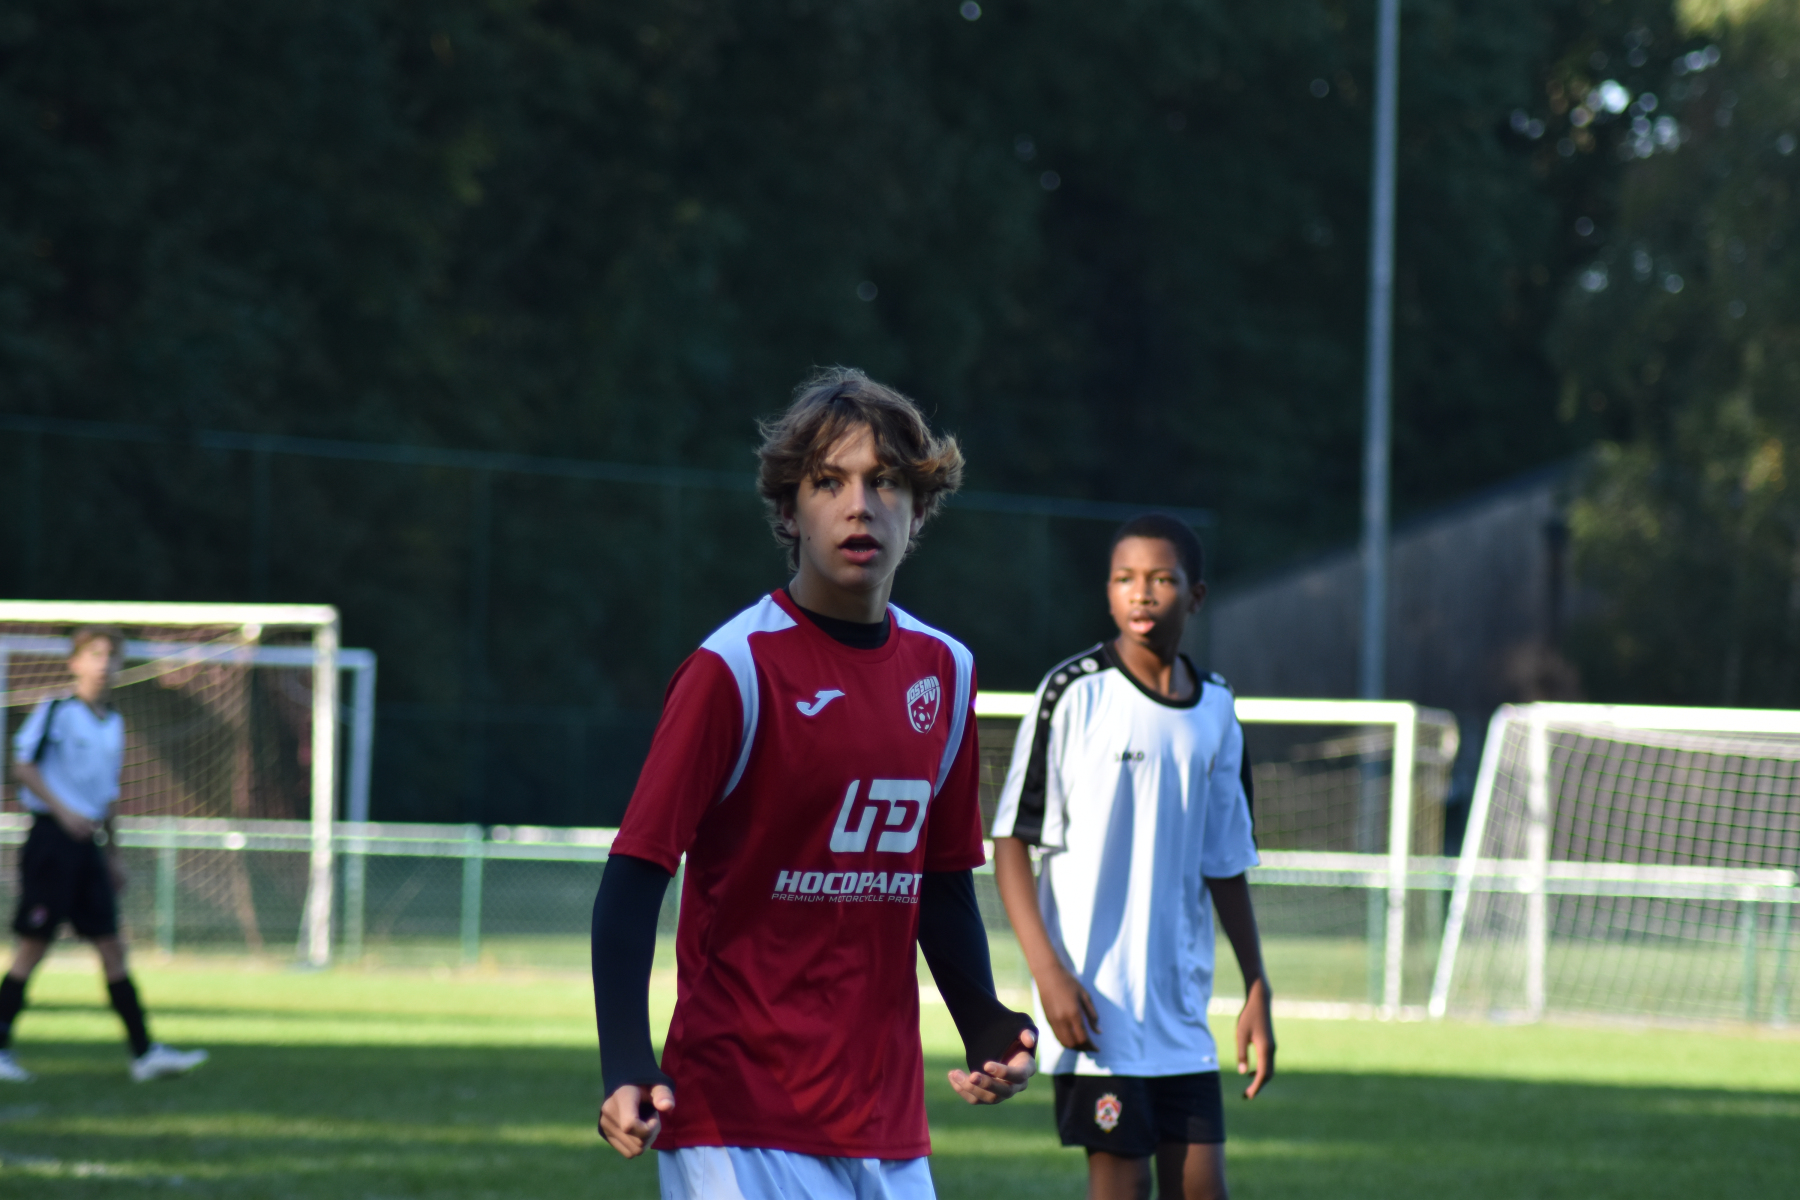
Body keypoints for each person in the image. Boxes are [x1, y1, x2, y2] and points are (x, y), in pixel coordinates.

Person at [591, 368, 1038, 1200]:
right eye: (829, 483)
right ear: (790, 512)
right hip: (737, 1119)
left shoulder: (946, 671)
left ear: (919, 509)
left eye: (886, 481)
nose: (859, 506)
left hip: (887, 1124)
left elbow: (939, 880)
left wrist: (983, 1020)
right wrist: (625, 1061)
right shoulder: (734, 669)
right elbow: (634, 876)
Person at [990, 514, 1273, 1200]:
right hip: (1096, 1010)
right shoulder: (1072, 692)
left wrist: (1256, 987)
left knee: (1204, 1189)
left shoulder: (1218, 709)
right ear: (1108, 592)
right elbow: (1010, 843)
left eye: (1161, 579)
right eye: (1124, 579)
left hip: (1181, 1015)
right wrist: (1049, 975)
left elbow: (1225, 861)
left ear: (1195, 596)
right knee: (1123, 1186)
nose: (1141, 593)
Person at [0, 625, 209, 1084]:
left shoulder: (114, 723)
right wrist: (64, 812)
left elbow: (108, 796)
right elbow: (23, 766)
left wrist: (114, 855)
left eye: (112, 656)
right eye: (94, 654)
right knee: (33, 946)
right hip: (52, 841)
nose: (104, 664)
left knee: (112, 946)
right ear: (75, 662)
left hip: (89, 848)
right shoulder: (56, 710)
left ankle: (144, 1053)